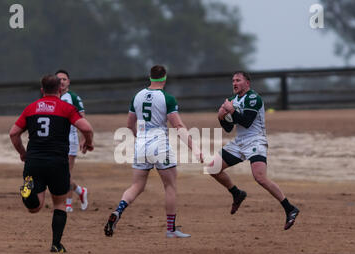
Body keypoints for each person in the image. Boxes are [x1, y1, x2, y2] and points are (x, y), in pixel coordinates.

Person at [104, 65, 203, 238]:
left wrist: (139, 137)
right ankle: (171, 230)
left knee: (136, 186)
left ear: (150, 77)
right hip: (160, 145)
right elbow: (178, 125)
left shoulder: (137, 96)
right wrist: (194, 148)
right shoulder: (168, 98)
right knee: (170, 186)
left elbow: (129, 124)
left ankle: (118, 211)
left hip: (141, 144)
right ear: (164, 78)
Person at [9, 75, 94, 253]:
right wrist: (89, 142)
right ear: (60, 90)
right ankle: (56, 244)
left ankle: (28, 190)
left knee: (35, 208)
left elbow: (13, 133)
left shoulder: (31, 108)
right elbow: (86, 127)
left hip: (34, 161)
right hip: (57, 162)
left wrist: (23, 153)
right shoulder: (66, 108)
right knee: (59, 205)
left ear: (42, 90)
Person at [209, 71, 300, 230]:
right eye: (233, 81)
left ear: (247, 83)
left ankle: (290, 208)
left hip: (256, 140)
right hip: (239, 142)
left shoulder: (253, 98)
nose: (234, 83)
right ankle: (237, 193)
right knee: (212, 167)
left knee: (260, 178)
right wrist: (221, 117)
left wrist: (230, 111)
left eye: (238, 80)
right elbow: (229, 128)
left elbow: (246, 121)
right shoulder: (232, 100)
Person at [55, 70, 88, 213]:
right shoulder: (51, 97)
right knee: (57, 173)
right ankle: (80, 191)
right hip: (55, 141)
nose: (61, 81)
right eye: (58, 79)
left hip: (70, 140)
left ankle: (68, 204)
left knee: (66, 174)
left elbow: (82, 119)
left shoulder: (73, 97)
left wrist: (84, 138)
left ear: (68, 82)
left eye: (64, 79)